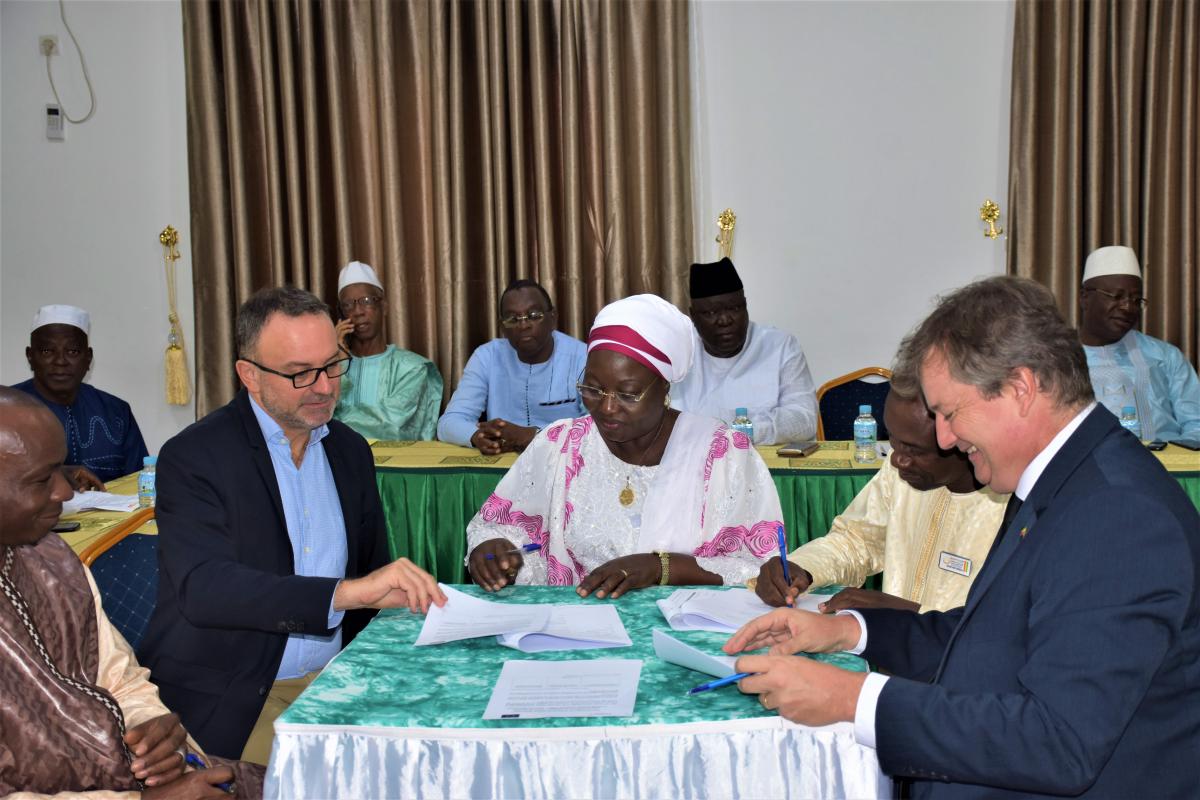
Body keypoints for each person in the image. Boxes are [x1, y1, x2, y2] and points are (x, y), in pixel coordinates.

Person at [724, 276, 1200, 798]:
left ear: (1020, 388)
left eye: (950, 413)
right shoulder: (1061, 476)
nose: (945, 438)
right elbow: (992, 636)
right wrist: (850, 632)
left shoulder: (1117, 513)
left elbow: (1060, 742)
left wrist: (854, 699)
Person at [138, 287, 446, 764]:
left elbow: (369, 575)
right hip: (235, 691)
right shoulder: (195, 457)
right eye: (301, 373)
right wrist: (345, 593)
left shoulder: (349, 451)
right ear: (249, 375)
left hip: (336, 681)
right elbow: (205, 588)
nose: (324, 387)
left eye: (332, 365)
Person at [0, 387, 265, 798]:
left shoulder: (53, 559)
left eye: (61, 470)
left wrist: (151, 733)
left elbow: (119, 677)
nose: (65, 492)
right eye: (41, 479)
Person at [466, 293, 785, 598]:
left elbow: (762, 569)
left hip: (688, 634)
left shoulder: (724, 455)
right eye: (591, 388)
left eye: (628, 394)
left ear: (664, 386)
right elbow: (514, 535)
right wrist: (498, 553)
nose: (606, 408)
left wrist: (660, 567)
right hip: (581, 633)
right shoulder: (560, 445)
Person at [752, 372, 1007, 613]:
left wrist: (904, 614)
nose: (897, 461)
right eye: (893, 443)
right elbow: (857, 541)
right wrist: (804, 568)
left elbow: (1003, 631)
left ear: (964, 439)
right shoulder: (902, 475)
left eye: (914, 450)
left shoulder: (1014, 506)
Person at [672, 257, 818, 445]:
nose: (724, 320)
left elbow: (804, 420)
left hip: (765, 467)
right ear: (693, 316)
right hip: (695, 466)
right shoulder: (678, 352)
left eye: (734, 308)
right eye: (711, 313)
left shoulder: (780, 346)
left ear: (745, 305)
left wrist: (739, 432)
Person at [437, 279, 587, 453]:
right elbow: (448, 423)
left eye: (533, 316)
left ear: (552, 318)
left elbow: (596, 429)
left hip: (565, 462)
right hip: (502, 465)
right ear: (502, 327)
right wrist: (477, 436)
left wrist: (534, 436)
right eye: (513, 319)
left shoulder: (582, 357)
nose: (524, 325)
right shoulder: (487, 356)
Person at [13, 304, 148, 486]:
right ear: (30, 356)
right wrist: (55, 474)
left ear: (88, 358)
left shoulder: (116, 411)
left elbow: (140, 482)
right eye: (47, 351)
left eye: (73, 352)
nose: (60, 361)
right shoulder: (7, 410)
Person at [1079, 245, 1200, 439]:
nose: (1128, 307)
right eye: (1117, 297)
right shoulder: (1058, 360)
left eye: (1136, 300)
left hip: (1168, 466)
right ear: (1085, 297)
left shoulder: (1165, 356)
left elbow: (1196, 424)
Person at [331, 260, 443, 440]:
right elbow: (315, 415)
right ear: (341, 314)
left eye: (366, 301)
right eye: (348, 304)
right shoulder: (329, 370)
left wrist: (331, 423)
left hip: (395, 467)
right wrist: (338, 363)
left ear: (383, 307)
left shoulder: (412, 368)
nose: (358, 311)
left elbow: (389, 426)